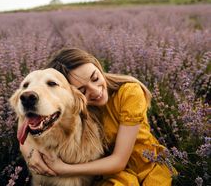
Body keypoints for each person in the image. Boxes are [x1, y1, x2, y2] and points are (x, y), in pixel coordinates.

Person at [19, 48, 177, 185]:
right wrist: (29, 152)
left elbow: (119, 161)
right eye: (82, 90)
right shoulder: (76, 105)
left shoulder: (129, 93)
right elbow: (25, 122)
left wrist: (64, 169)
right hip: (108, 173)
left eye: (95, 78)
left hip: (146, 167)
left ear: (98, 66)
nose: (95, 91)